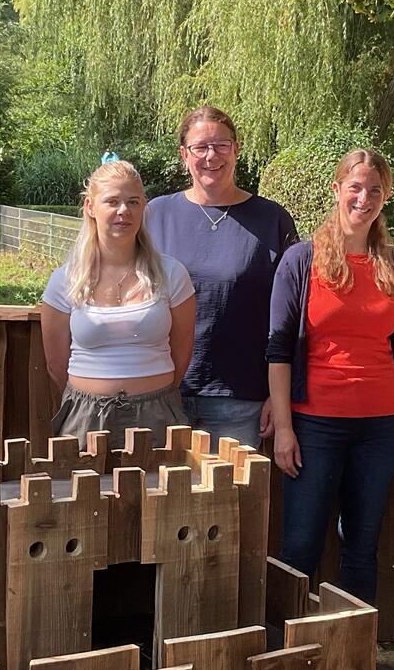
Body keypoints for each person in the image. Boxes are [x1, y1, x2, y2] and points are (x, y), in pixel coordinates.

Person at [267, 148, 394, 670]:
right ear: (337, 189)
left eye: (375, 191)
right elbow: (278, 349)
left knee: (362, 547)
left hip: (381, 423)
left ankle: (355, 669)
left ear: (384, 199)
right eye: (355, 187)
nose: (364, 199)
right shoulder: (301, 261)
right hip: (315, 421)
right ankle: (290, 662)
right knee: (301, 546)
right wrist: (284, 426)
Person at [146, 106, 298, 446]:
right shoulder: (156, 215)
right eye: (201, 147)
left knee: (232, 499)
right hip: (162, 394)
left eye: (221, 145)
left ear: (237, 149)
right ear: (185, 154)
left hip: (241, 399)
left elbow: (291, 315)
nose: (211, 156)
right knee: (161, 497)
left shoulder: (272, 219)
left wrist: (279, 396)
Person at [41, 159, 196, 438]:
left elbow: (182, 352)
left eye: (133, 202)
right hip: (85, 417)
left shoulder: (172, 273)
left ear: (144, 207)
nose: (123, 211)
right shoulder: (64, 280)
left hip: (158, 414)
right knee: (84, 485)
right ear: (90, 207)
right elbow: (56, 363)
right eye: (112, 201)